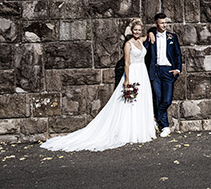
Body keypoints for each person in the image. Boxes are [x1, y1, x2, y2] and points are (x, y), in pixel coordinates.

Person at [40, 19, 156, 151]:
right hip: (134, 73)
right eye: (135, 30)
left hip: (143, 74)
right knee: (130, 103)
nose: (137, 32)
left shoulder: (141, 41)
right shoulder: (128, 44)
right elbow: (127, 63)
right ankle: (130, 132)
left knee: (141, 101)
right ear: (132, 30)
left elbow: (151, 34)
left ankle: (140, 130)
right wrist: (127, 79)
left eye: (139, 30)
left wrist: (151, 33)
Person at [145, 13, 182, 138]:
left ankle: (155, 118)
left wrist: (178, 69)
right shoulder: (151, 36)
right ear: (156, 23)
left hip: (168, 71)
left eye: (165, 22)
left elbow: (178, 54)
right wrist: (150, 32)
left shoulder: (172, 37)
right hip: (155, 71)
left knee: (167, 100)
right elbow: (143, 50)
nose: (164, 25)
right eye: (161, 23)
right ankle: (165, 126)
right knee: (159, 98)